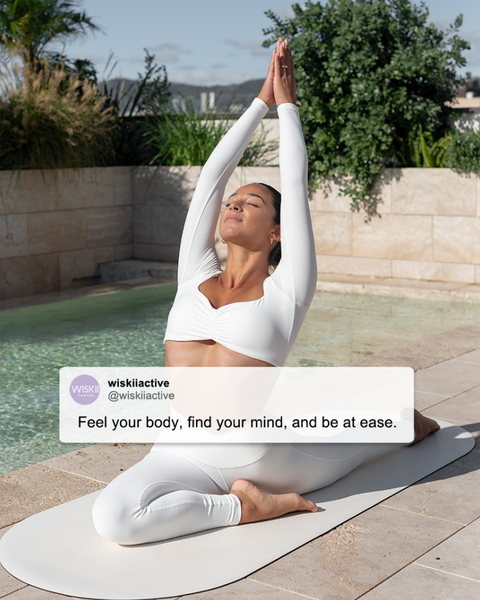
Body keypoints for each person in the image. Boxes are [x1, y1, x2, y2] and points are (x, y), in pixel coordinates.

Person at [92, 39, 439, 545]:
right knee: (114, 519)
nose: (232, 204)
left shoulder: (287, 291)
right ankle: (243, 506)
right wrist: (259, 101)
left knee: (374, 434)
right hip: (176, 449)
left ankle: (395, 421)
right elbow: (212, 175)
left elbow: (294, 184)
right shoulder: (193, 275)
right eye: (232, 201)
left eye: (250, 202)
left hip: (260, 456)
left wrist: (288, 105)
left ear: (276, 233)